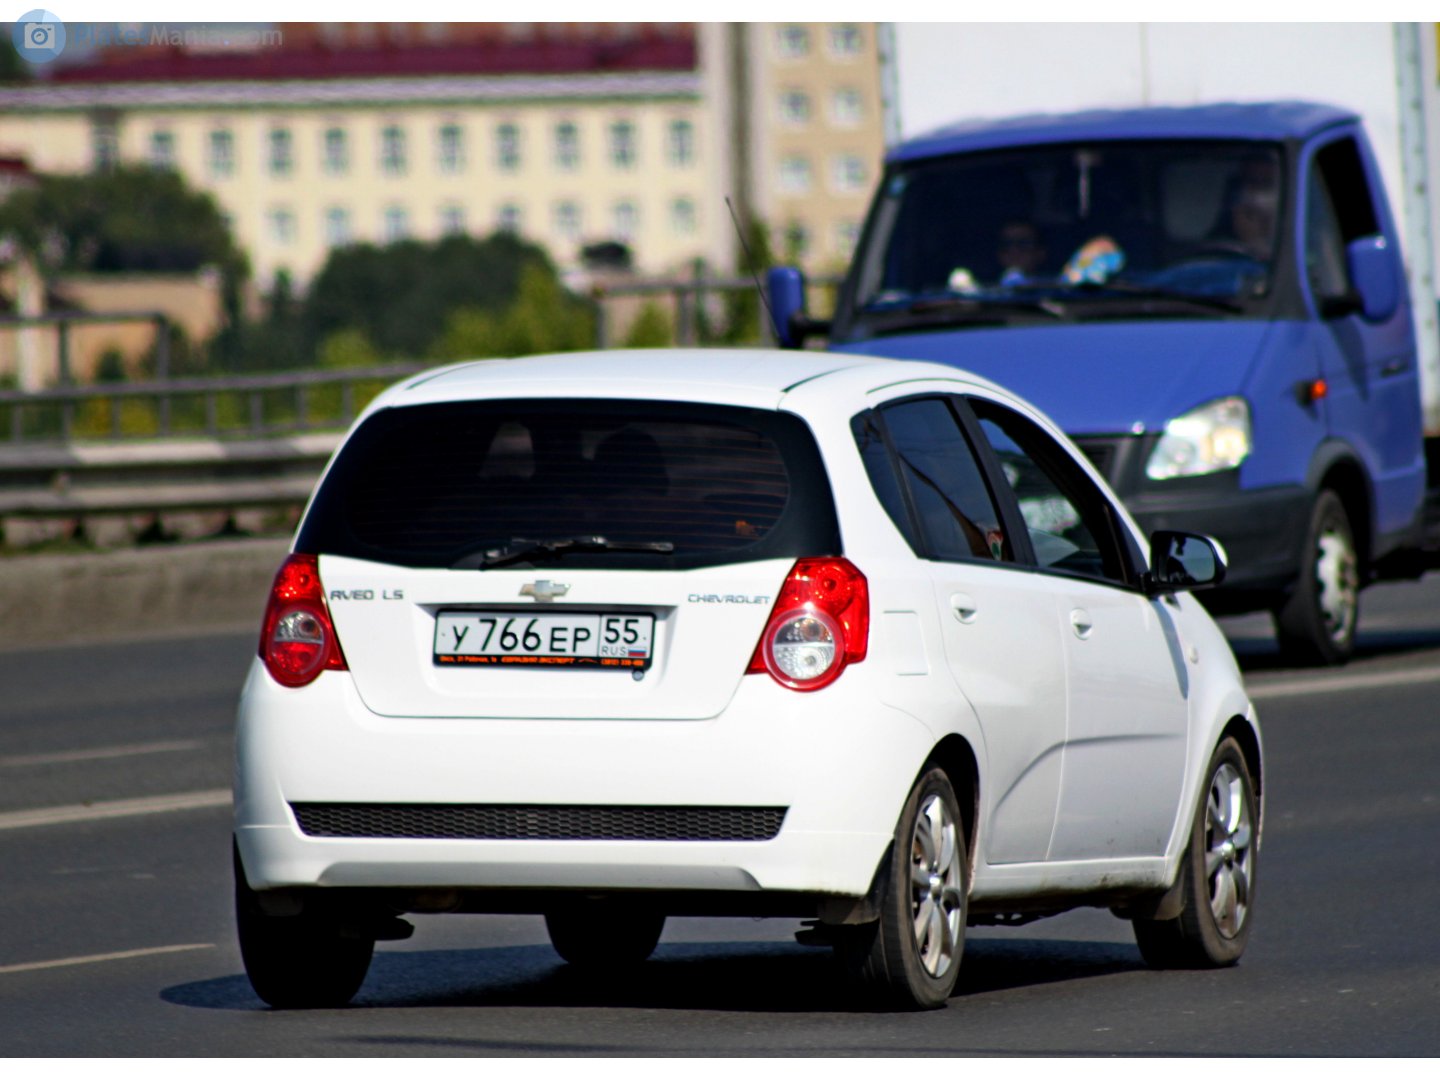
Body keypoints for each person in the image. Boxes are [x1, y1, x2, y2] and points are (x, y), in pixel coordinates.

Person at [996, 220, 1047, 285]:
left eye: (1023, 243)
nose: (1014, 251)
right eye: (1006, 244)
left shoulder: (1054, 287)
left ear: (1040, 252)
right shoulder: (985, 288)